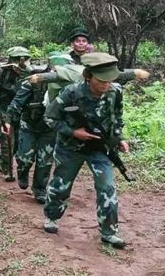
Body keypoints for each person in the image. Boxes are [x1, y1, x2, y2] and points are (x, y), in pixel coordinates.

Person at [41, 52, 130, 249]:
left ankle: (109, 232)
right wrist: (73, 132)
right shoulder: (71, 92)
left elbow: (117, 117)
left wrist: (119, 138)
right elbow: (49, 118)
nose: (106, 85)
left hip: (99, 147)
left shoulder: (115, 91)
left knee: (107, 187)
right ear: (88, 76)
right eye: (101, 81)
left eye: (109, 80)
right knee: (61, 185)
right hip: (70, 147)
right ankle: (51, 217)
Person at [7, 53, 83, 203]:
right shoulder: (34, 81)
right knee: (25, 157)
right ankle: (22, 171)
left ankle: (40, 189)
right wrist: (8, 121)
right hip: (29, 124)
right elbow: (16, 103)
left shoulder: (72, 87)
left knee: (45, 161)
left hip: (50, 129)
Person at [0, 46, 32, 182]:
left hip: (20, 111)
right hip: (2, 109)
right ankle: (7, 170)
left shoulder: (30, 73)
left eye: (24, 59)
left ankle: (1, 156)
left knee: (16, 144)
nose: (20, 62)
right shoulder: (1, 72)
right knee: (7, 141)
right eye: (17, 59)